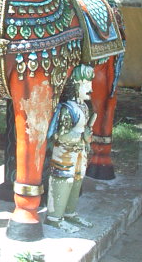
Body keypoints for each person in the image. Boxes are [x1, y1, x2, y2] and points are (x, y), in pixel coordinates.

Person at [46, 64, 97, 232]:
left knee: (77, 180)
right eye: (85, 84)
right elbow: (61, 135)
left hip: (80, 151)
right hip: (64, 153)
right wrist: (81, 137)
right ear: (75, 85)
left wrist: (87, 136)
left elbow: (84, 132)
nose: (90, 87)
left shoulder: (84, 107)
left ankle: (69, 213)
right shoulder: (67, 109)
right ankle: (54, 217)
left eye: (90, 83)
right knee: (64, 180)